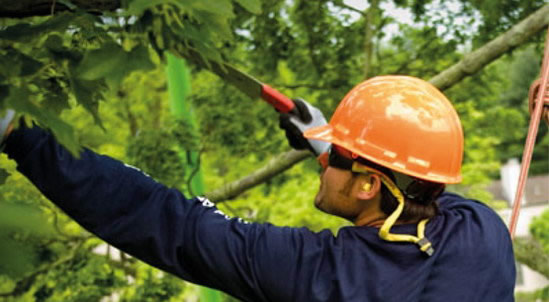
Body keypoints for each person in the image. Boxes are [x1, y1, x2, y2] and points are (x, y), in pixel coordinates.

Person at [0, 75, 515, 301]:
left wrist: (19, 135)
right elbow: (416, 183)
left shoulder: (322, 279)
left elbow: (165, 219)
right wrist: (322, 141)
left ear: (366, 185)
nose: (322, 165)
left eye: (336, 158)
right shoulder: (482, 229)